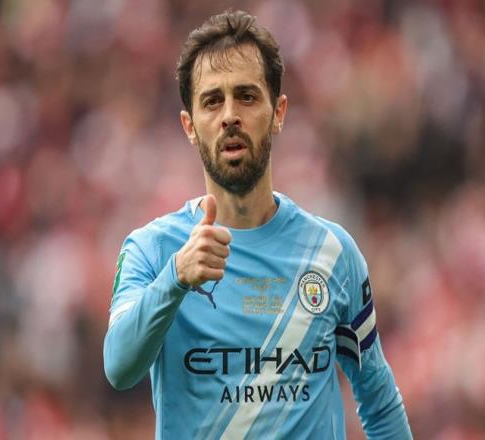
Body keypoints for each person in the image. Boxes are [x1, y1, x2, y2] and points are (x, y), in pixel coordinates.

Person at [103, 10, 413, 439]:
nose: (230, 115)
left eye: (246, 96)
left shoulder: (332, 253)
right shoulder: (153, 250)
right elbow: (119, 368)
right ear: (189, 126)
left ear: (278, 112)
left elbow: (379, 404)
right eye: (212, 101)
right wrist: (176, 278)